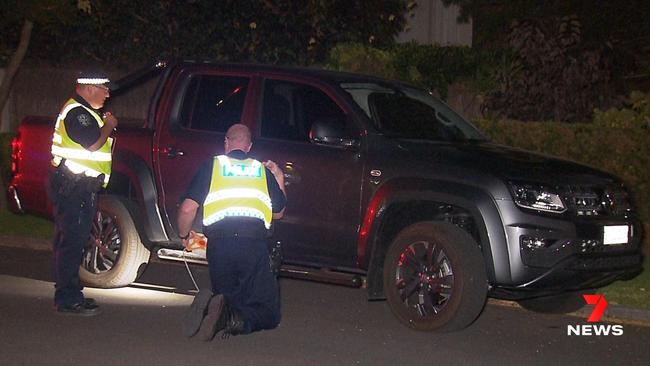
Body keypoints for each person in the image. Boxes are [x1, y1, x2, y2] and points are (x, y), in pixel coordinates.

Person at [177, 123, 286, 340]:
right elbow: (279, 213)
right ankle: (231, 320)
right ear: (249, 146)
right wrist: (279, 178)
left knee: (228, 296)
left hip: (219, 248)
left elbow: (188, 207)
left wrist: (184, 234)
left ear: (226, 142)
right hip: (252, 247)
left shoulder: (212, 165)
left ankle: (216, 307)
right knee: (268, 313)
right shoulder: (261, 170)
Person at [48, 67, 118, 316]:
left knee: (74, 241)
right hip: (74, 187)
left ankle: (71, 291)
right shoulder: (78, 113)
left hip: (79, 186)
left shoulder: (85, 112)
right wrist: (108, 125)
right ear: (89, 88)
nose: (107, 93)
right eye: (104, 88)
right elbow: (93, 143)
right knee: (72, 242)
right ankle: (67, 297)